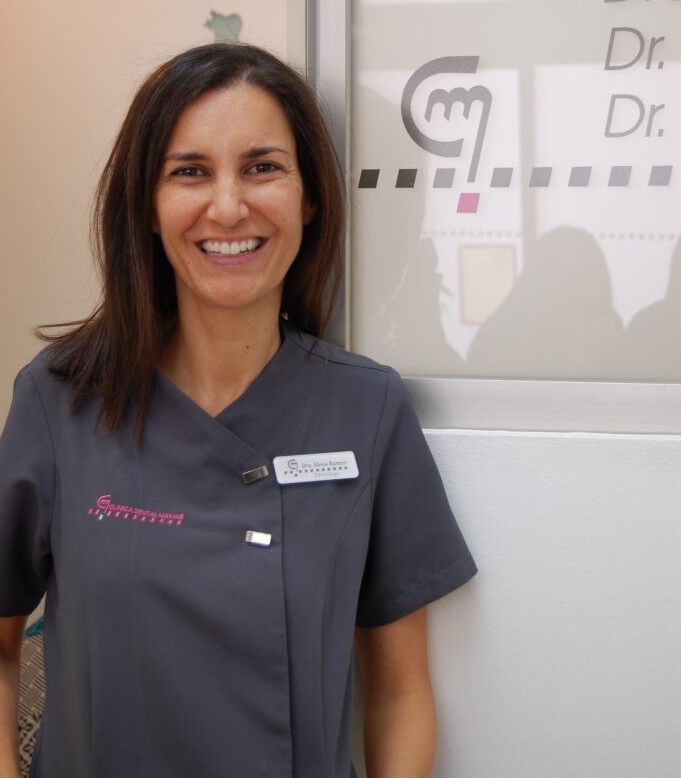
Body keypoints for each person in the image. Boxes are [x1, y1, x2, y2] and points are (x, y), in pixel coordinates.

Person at [0, 43, 476, 778]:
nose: (227, 207)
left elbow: (400, 690)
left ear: (309, 199)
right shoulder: (60, 401)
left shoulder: (367, 408)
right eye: (189, 171)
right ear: (148, 207)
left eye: (262, 168)